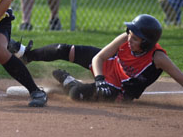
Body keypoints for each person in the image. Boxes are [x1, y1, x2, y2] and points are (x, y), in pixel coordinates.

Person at [9, 14, 183, 101]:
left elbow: (180, 77)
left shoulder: (158, 58)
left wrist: (101, 84)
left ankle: (68, 83)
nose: (130, 38)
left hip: (119, 89)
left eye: (136, 38)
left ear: (146, 43)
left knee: (77, 94)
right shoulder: (125, 38)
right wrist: (100, 79)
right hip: (109, 66)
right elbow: (98, 58)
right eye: (130, 34)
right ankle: (27, 55)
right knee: (65, 49)